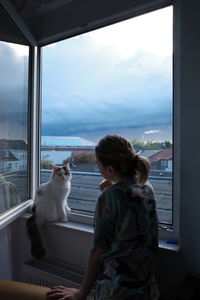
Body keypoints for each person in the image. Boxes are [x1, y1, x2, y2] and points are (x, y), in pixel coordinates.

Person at [46, 135, 159, 300]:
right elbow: (128, 210)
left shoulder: (110, 197)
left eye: (99, 165)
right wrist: (113, 187)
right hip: (147, 288)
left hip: (118, 290)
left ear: (111, 170)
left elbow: (99, 249)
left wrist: (80, 293)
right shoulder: (147, 187)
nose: (98, 168)